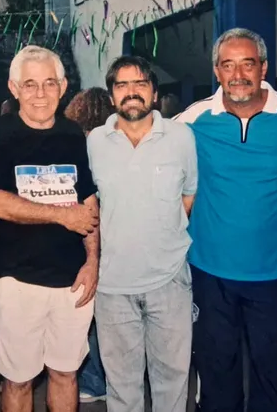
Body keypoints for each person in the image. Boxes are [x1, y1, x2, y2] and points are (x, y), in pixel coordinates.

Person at [174, 28, 277, 412]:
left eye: (247, 64)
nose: (238, 74)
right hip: (208, 274)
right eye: (227, 65)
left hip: (270, 276)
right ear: (216, 71)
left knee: (272, 378)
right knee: (217, 376)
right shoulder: (193, 119)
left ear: (263, 68)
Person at [0, 45, 100, 412]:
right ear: (14, 87)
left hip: (73, 279)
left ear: (62, 87)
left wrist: (92, 262)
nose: (40, 94)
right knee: (19, 378)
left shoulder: (74, 135)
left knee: (66, 373)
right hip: (18, 279)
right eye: (30, 84)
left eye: (48, 84)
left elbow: (88, 202)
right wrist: (60, 215)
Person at [88, 55, 197, 412]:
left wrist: (159, 234)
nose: (131, 92)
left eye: (140, 84)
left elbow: (189, 193)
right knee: (121, 389)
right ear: (110, 96)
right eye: (121, 85)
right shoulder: (94, 143)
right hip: (112, 286)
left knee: (172, 384)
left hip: (169, 282)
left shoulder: (182, 137)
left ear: (153, 93)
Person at [63, 86, 115, 404]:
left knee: (90, 312)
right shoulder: (113, 143)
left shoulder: (75, 145)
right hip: (112, 234)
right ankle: (108, 376)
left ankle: (94, 378)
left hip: (86, 233)